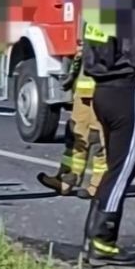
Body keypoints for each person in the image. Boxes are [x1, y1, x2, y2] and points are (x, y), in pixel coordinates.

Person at [80, 21, 135, 266]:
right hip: (128, 92)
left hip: (103, 90)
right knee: (122, 171)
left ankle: (92, 237)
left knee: (114, 169)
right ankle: (102, 239)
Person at [37, 44, 107, 198]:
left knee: (97, 139)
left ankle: (98, 184)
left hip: (102, 88)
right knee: (76, 135)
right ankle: (66, 179)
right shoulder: (92, 24)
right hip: (84, 88)